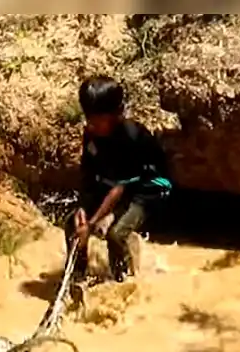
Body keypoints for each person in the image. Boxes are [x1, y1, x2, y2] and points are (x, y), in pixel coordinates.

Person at [65, 75, 173, 284]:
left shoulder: (131, 137)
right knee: (72, 224)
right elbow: (87, 173)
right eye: (88, 118)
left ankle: (121, 281)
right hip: (114, 183)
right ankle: (77, 275)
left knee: (116, 234)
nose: (91, 124)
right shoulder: (92, 133)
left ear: (115, 115)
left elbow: (120, 188)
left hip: (147, 189)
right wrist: (82, 209)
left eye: (97, 119)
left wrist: (94, 221)